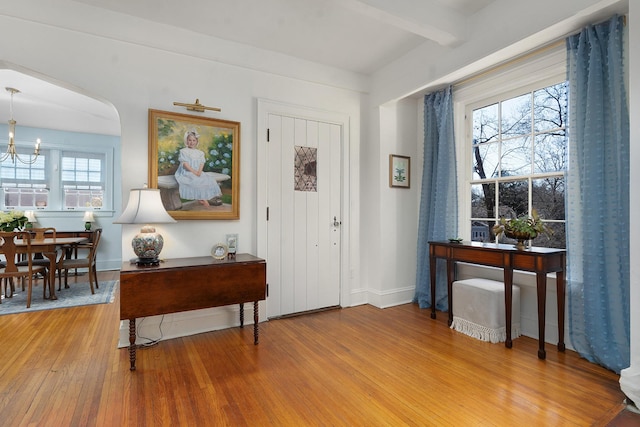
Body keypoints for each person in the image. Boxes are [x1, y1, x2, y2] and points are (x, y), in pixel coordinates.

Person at [174, 129, 222, 206]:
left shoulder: (200, 153)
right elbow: (185, 164)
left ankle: (205, 198)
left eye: (194, 140)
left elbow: (201, 163)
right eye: (189, 140)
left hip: (197, 172)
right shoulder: (183, 151)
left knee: (208, 179)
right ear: (186, 141)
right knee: (194, 180)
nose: (192, 142)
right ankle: (203, 199)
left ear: (196, 141)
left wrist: (199, 172)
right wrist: (194, 172)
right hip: (187, 172)